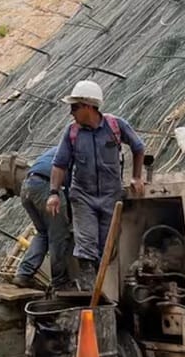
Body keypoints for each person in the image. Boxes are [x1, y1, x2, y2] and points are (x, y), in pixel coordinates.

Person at [48, 80, 145, 287]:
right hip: (83, 195)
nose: (71, 112)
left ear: (88, 106)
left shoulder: (115, 126)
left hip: (111, 196)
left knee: (107, 246)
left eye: (74, 107)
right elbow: (59, 164)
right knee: (86, 244)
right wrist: (54, 193)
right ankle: (88, 286)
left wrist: (137, 177)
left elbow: (138, 147)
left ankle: (98, 288)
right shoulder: (72, 132)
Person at [13, 146, 73, 290]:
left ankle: (24, 274)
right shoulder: (81, 152)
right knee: (58, 236)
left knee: (43, 233)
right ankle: (60, 282)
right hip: (46, 187)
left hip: (27, 186)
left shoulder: (57, 149)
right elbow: (75, 188)